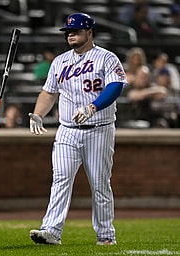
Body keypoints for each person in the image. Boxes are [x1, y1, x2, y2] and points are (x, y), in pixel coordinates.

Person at [28, 13, 127, 245]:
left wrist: (93, 107)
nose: (70, 34)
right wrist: (38, 114)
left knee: (100, 184)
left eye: (76, 30)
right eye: (68, 32)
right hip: (68, 130)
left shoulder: (106, 58)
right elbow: (49, 92)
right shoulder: (60, 61)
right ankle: (51, 230)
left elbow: (116, 86)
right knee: (61, 178)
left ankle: (105, 235)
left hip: (99, 128)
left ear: (90, 32)